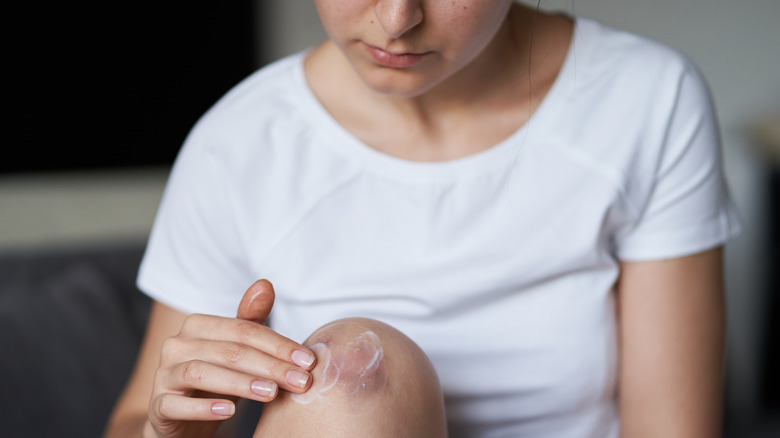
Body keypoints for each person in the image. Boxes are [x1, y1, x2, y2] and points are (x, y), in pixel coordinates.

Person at [105, 1, 741, 437]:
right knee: (356, 369)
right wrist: (175, 431)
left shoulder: (644, 100)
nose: (397, 19)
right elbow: (139, 417)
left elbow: (671, 426)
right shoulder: (241, 141)